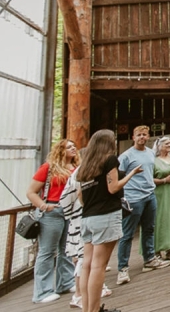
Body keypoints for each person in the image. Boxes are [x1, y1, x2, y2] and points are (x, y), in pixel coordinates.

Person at [76, 129, 140, 312]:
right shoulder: (110, 160)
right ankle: (95, 310)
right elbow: (113, 188)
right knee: (99, 266)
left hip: (88, 217)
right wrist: (131, 174)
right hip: (106, 215)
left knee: (87, 265)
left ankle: (87, 309)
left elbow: (81, 196)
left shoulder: (85, 166)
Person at [116, 125, 170, 285]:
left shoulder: (150, 153)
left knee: (149, 228)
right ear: (133, 137)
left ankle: (150, 259)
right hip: (133, 198)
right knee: (127, 234)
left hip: (149, 195)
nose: (142, 137)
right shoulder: (126, 156)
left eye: (144, 135)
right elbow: (119, 177)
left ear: (148, 137)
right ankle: (123, 268)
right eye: (138, 135)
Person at [26, 139, 80, 304]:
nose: (73, 148)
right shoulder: (48, 168)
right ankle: (42, 292)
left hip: (71, 212)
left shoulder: (77, 167)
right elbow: (31, 192)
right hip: (52, 212)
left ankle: (65, 282)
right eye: (68, 146)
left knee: (67, 249)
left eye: (74, 146)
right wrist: (43, 206)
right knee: (47, 251)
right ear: (60, 151)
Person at [59, 157, 112, 310]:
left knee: (87, 260)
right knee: (84, 260)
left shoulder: (83, 173)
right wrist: (76, 212)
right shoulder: (83, 172)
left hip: (83, 218)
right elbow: (68, 198)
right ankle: (80, 296)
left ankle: (86, 294)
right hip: (83, 219)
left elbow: (66, 199)